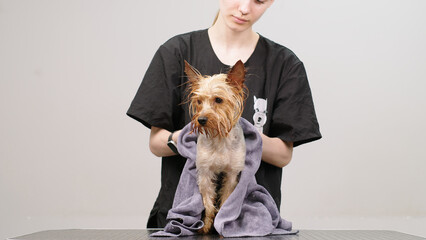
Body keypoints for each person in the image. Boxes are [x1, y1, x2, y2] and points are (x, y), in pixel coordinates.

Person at [127, 0, 321, 228]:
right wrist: (191, 137)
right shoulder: (176, 52)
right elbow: (156, 143)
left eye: (259, 0)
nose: (245, 9)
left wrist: (239, 134)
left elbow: (283, 156)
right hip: (180, 220)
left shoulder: (285, 64)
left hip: (249, 222)